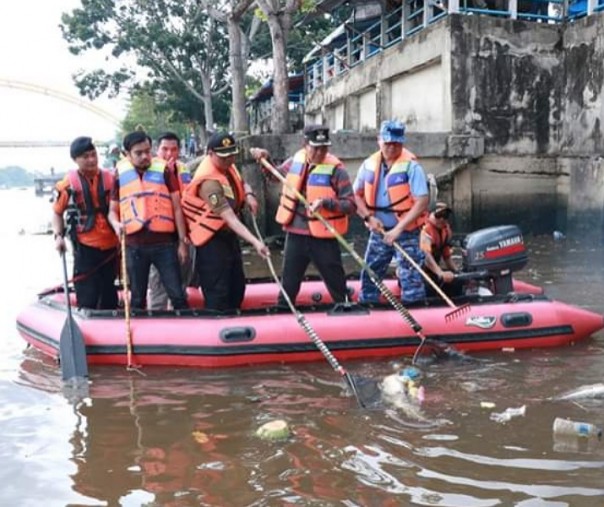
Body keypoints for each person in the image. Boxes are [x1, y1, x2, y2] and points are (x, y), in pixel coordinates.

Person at [250, 124, 356, 306]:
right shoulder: (294, 162)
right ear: (305, 145)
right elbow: (275, 176)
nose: (321, 152)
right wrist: (265, 159)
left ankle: (345, 308)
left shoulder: (337, 170)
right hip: (296, 234)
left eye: (324, 147)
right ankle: (284, 312)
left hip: (323, 235)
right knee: (289, 282)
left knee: (336, 280)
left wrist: (326, 203)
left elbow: (351, 204)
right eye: (316, 148)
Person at [182, 131, 269, 311]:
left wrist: (249, 195)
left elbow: (241, 182)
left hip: (229, 238)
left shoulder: (228, 166)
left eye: (231, 155)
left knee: (237, 286)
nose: (229, 160)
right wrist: (255, 242)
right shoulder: (209, 183)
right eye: (223, 157)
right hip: (211, 240)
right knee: (217, 290)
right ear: (210, 154)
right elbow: (229, 217)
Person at [108, 131, 189, 310]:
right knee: (137, 297)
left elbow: (177, 208)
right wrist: (116, 223)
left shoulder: (164, 171)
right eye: (139, 153)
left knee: (177, 294)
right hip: (134, 245)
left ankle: (184, 330)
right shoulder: (120, 175)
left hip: (164, 245)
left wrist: (182, 243)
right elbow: (112, 211)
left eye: (147, 151)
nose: (145, 156)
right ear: (128, 154)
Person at [353, 120, 429, 305]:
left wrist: (399, 229)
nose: (391, 147)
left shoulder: (412, 167)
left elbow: (422, 201)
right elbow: (355, 195)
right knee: (371, 270)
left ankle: (414, 307)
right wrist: (368, 217)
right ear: (379, 140)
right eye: (387, 143)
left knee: (410, 273)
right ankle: (368, 305)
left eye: (396, 143)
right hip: (379, 230)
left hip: (406, 231)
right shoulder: (368, 164)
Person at [51, 136, 119, 309]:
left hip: (111, 244)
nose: (91, 160)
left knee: (109, 291)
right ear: (76, 160)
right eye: (85, 157)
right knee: (88, 293)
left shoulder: (111, 179)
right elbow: (57, 213)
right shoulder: (67, 185)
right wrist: (58, 237)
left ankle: (109, 328)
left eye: (93, 155)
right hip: (86, 245)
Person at [147, 132, 194, 310]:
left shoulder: (183, 170)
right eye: (164, 149)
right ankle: (157, 318)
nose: (169, 154)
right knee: (158, 282)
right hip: (159, 237)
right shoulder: (148, 172)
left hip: (182, 233)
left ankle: (180, 319)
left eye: (174, 149)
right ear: (156, 150)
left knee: (182, 278)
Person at [419, 202, 464, 298]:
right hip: (420, 271)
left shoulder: (446, 231)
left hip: (434, 271)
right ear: (430, 215)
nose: (442, 219)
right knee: (428, 288)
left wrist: (457, 273)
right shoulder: (425, 230)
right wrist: (440, 272)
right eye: (438, 215)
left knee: (456, 283)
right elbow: (426, 256)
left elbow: (446, 255)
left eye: (445, 216)